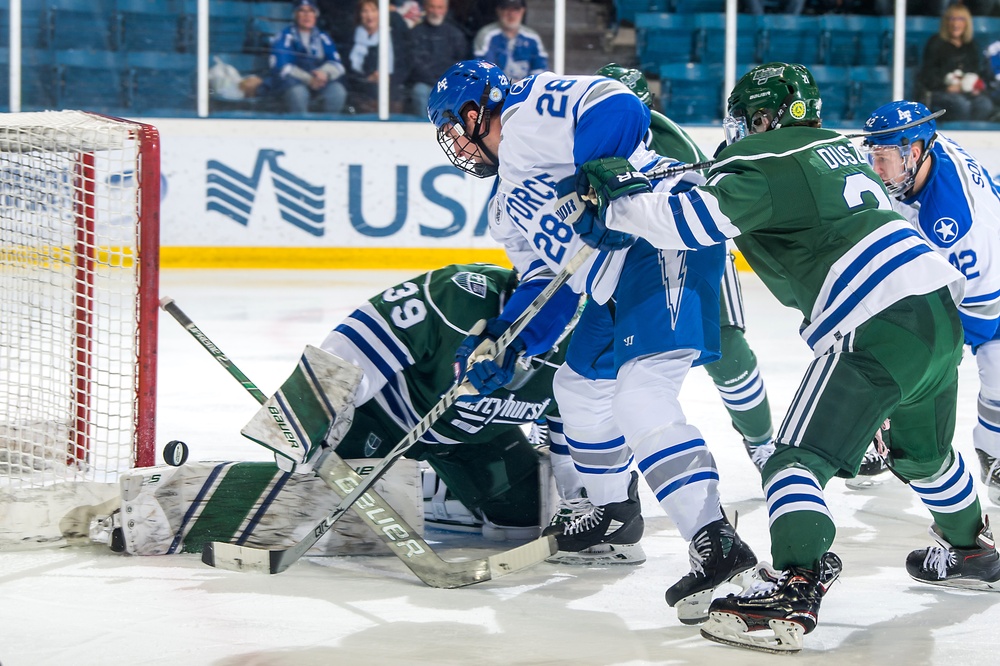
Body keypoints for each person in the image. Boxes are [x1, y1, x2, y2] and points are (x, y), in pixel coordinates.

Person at [572, 62, 999, 653]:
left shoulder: (767, 160)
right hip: (936, 317)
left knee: (792, 462)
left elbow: (688, 223)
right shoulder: (843, 149)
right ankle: (972, 550)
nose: (738, 131)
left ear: (766, 118)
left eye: (745, 120)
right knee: (924, 458)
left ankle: (795, 587)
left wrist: (617, 199)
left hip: (872, 325)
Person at [426, 60, 760, 625]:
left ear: (478, 110)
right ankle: (614, 518)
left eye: (456, 129)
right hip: (610, 284)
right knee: (577, 389)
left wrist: (597, 177)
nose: (457, 146)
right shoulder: (505, 206)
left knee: (641, 397)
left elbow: (617, 105)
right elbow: (546, 287)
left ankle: (718, 544)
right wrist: (506, 342)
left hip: (660, 243)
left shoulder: (529, 109)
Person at [102, 264, 588, 555]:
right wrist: (308, 421)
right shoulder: (458, 297)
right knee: (311, 496)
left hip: (474, 441)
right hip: (386, 422)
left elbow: (574, 432)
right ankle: (172, 505)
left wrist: (582, 502)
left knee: (523, 521)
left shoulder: (591, 341)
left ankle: (430, 487)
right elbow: (353, 346)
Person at [597, 63, 776, 471]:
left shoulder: (674, 149)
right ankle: (571, 434)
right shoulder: (578, 134)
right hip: (615, 253)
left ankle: (762, 442)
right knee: (586, 346)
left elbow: (703, 219)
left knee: (726, 349)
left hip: (691, 245)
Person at [862, 100, 1000, 508]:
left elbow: (981, 309)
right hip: (976, 260)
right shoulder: (918, 152)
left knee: (987, 373)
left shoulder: (951, 221)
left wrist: (933, 358)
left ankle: (992, 455)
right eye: (875, 155)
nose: (876, 167)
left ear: (916, 152)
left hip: (987, 286)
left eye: (884, 158)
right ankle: (875, 433)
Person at [266, 0, 348, 114]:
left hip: (320, 82)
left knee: (338, 92)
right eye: (302, 11)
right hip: (294, 83)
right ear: (295, 14)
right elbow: (282, 67)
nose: (307, 15)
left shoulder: (323, 37)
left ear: (316, 15)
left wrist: (324, 73)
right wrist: (309, 79)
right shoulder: (285, 36)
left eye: (311, 11)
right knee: (298, 93)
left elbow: (337, 64)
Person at [916, 3, 994, 122]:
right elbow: (928, 74)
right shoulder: (936, 43)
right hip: (940, 91)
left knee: (984, 104)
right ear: (946, 22)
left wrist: (974, 85)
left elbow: (975, 71)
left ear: (966, 23)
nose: (955, 23)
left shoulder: (971, 46)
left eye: (960, 19)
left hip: (965, 92)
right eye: (952, 19)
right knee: (960, 104)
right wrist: (947, 87)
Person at [407, 0, 471, 118]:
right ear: (425, 8)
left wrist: (445, 81)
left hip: (450, 84)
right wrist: (435, 82)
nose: (436, 11)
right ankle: (423, 129)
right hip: (425, 83)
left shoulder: (455, 34)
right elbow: (414, 63)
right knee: (419, 91)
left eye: (439, 7)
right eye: (432, 7)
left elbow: (461, 63)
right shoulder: (415, 33)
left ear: (445, 10)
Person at [346, 0, 412, 113]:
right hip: (361, 87)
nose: (369, 15)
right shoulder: (351, 37)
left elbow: (406, 63)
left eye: (373, 10)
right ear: (359, 15)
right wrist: (368, 77)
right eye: (365, 11)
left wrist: (391, 78)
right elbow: (348, 68)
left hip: (393, 86)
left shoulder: (394, 36)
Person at [473, 0, 548, 83]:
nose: (511, 14)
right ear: (498, 11)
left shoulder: (533, 38)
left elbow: (541, 69)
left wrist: (526, 85)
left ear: (523, 11)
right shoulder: (487, 35)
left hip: (527, 91)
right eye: (506, 9)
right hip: (496, 90)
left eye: (516, 9)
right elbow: (484, 68)